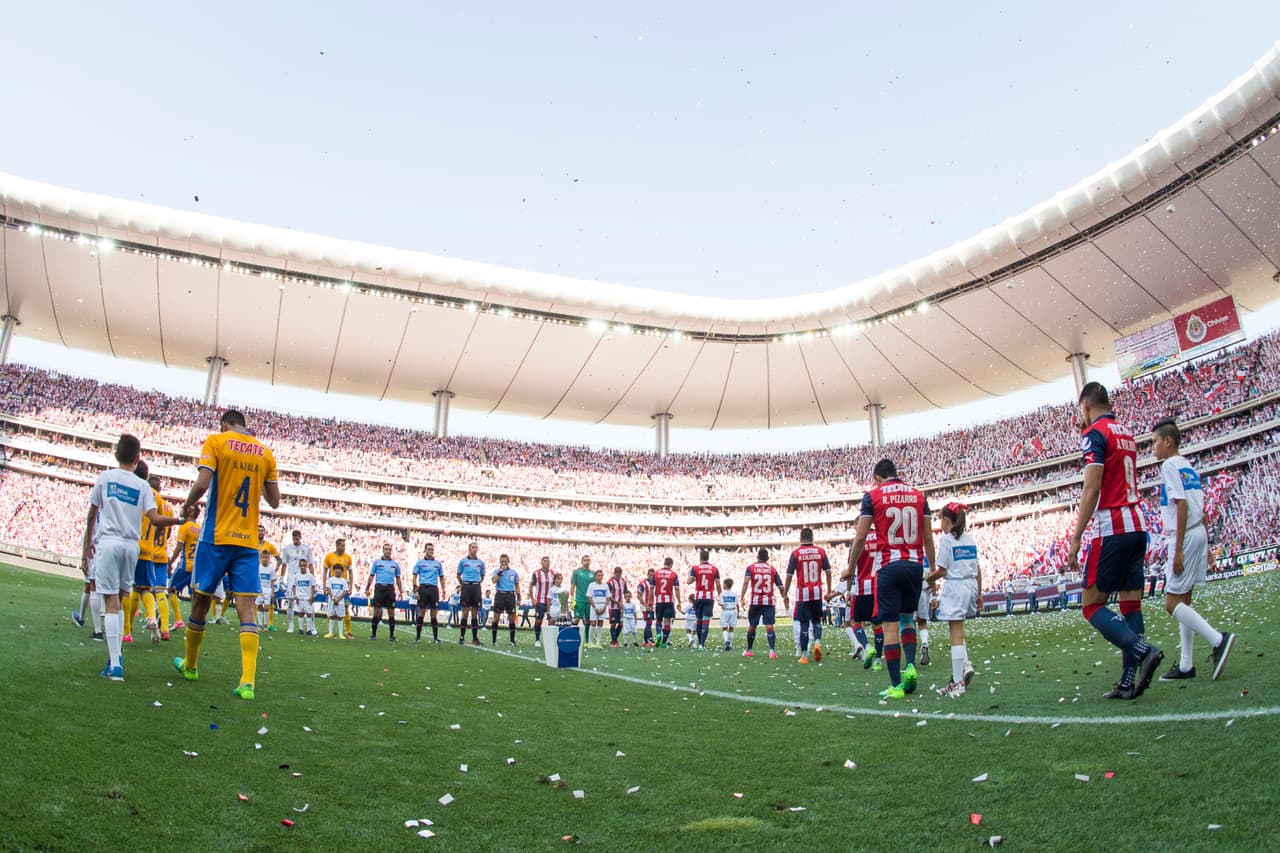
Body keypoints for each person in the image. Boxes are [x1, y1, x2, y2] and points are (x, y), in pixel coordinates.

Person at [172, 409, 281, 701]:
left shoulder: (216, 441)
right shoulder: (266, 453)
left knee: (200, 601)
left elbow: (203, 482)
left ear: (223, 424)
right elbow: (275, 501)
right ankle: (247, 682)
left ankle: (191, 666)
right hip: (247, 543)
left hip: (215, 536)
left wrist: (187, 504)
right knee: (247, 610)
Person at [1067, 383, 1163, 701]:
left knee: (1091, 605)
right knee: (1130, 604)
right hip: (1137, 525)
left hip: (1113, 528)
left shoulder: (1095, 433)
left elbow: (1092, 488)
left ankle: (1143, 650)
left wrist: (1077, 536)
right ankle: (1126, 683)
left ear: (1085, 407)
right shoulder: (1124, 431)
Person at [81, 434, 178, 681]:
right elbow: (155, 519)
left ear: (116, 454)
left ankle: (115, 664)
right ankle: (117, 656)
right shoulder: (143, 485)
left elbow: (92, 515)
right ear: (137, 458)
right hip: (131, 547)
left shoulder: (105, 478)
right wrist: (180, 519)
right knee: (123, 598)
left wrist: (85, 551)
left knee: (111, 602)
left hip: (109, 543)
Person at [1151, 419, 1235, 681]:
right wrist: (1207, 545)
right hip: (1198, 532)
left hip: (1184, 535)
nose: (1152, 448)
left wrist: (1177, 550)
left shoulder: (1169, 466)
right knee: (1184, 600)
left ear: (1168, 441)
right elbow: (1202, 506)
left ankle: (1218, 639)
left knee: (1172, 603)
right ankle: (1187, 666)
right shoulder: (1188, 466)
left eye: (1154, 442)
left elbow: (1182, 505)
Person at [847, 459, 934, 700]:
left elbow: (861, 536)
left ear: (877, 478)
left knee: (890, 626)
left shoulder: (872, 496)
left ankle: (896, 685)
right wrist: (933, 570)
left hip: (889, 565)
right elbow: (927, 537)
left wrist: (850, 567)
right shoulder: (918, 495)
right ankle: (911, 667)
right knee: (909, 619)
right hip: (915, 565)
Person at [928, 502, 980, 697]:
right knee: (959, 630)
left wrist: (927, 579)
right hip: (971, 586)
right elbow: (978, 569)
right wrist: (980, 594)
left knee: (955, 633)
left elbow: (941, 570)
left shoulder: (947, 540)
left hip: (956, 586)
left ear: (947, 521)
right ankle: (965, 666)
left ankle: (958, 681)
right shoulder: (970, 540)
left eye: (941, 519)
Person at [783, 528, 831, 665]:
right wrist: (828, 589)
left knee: (804, 624)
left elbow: (789, 575)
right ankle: (817, 642)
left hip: (803, 593)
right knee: (816, 621)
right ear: (812, 537)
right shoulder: (821, 552)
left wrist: (785, 593)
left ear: (800, 538)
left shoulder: (796, 553)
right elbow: (828, 571)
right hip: (817, 592)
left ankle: (804, 655)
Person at [742, 548, 786, 659]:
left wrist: (742, 597)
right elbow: (780, 586)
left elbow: (746, 582)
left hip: (755, 601)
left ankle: (749, 650)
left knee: (752, 626)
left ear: (757, 557)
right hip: (769, 601)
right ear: (767, 558)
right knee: (769, 626)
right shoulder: (772, 569)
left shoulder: (751, 568)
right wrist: (784, 597)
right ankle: (772, 652)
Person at [165, 503, 201, 632]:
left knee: (171, 590)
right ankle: (193, 625)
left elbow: (179, 547)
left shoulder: (185, 527)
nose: (182, 512)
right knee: (194, 596)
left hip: (185, 566)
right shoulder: (200, 528)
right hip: (196, 568)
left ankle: (178, 619)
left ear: (190, 513)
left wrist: (170, 562)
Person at [365, 543, 404, 642]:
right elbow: (371, 575)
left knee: (391, 612)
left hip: (390, 589)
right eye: (386, 549)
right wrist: (367, 587)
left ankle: (391, 635)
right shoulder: (377, 563)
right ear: (383, 550)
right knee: (376, 612)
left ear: (391, 551)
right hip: (379, 588)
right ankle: (373, 634)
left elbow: (398, 578)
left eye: (389, 549)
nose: (388, 551)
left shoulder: (395, 564)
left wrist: (401, 590)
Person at [281, 529, 315, 634]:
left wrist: (313, 578)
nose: (296, 539)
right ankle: (291, 625)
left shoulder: (306, 549)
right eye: (294, 537)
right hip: (292, 578)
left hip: (304, 578)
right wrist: (281, 578)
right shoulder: (287, 549)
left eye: (297, 537)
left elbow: (310, 564)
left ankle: (312, 627)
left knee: (309, 602)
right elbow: (284, 564)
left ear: (300, 537)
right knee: (291, 602)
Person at [688, 550, 721, 650]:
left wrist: (694, 578)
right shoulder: (714, 569)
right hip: (709, 598)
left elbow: (689, 581)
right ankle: (702, 644)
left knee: (699, 621)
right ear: (708, 557)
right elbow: (718, 584)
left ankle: (699, 643)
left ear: (700, 557)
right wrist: (720, 596)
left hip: (698, 598)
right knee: (706, 622)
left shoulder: (695, 568)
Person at [412, 543, 445, 644]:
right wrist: (416, 590)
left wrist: (444, 590)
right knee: (421, 612)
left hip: (434, 589)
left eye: (432, 549)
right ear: (425, 550)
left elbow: (441, 578)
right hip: (423, 588)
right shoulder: (419, 563)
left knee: (434, 614)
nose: (431, 551)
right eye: (429, 549)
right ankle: (418, 637)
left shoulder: (438, 564)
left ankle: (435, 638)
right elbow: (414, 578)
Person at [456, 542, 486, 645]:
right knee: (465, 612)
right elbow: (458, 575)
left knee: (474, 613)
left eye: (476, 547)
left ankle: (474, 638)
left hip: (476, 587)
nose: (475, 549)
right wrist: (463, 584)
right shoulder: (463, 561)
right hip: (466, 586)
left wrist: (476, 583)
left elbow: (482, 576)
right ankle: (462, 637)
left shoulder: (480, 562)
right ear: (469, 548)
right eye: (473, 547)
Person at [490, 554, 520, 646]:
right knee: (496, 617)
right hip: (500, 594)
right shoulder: (496, 571)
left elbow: (517, 585)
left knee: (511, 618)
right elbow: (494, 581)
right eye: (502, 561)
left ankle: (512, 640)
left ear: (508, 561)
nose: (504, 563)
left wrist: (519, 597)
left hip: (510, 595)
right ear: (500, 562)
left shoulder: (513, 572)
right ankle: (494, 640)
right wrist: (500, 572)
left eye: (505, 561)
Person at [257, 524, 282, 631]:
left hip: (267, 581)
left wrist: (275, 571)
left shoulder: (269, 546)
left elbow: (279, 559)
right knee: (257, 604)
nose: (260, 532)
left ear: (264, 532)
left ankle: (268, 625)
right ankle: (258, 625)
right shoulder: (251, 543)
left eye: (262, 531)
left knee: (268, 604)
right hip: (257, 577)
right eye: (258, 530)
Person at [652, 558, 680, 647]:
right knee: (667, 622)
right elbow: (676, 588)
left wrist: (649, 601)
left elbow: (651, 588)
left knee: (658, 620)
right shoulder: (673, 574)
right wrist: (679, 601)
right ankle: (663, 642)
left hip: (659, 600)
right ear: (671, 564)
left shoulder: (656, 573)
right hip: (669, 601)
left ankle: (658, 634)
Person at [529, 556, 554, 647]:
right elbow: (531, 586)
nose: (547, 563)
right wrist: (532, 599)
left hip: (550, 602)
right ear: (541, 562)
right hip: (540, 601)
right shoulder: (536, 573)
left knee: (552, 620)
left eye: (548, 561)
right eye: (545, 561)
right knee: (539, 620)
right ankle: (537, 639)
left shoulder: (553, 573)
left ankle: (551, 639)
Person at [324, 557, 351, 639]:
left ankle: (340, 634)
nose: (337, 571)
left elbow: (345, 591)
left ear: (342, 571)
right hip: (332, 600)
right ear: (333, 570)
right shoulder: (330, 580)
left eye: (339, 569)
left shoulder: (344, 581)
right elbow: (328, 589)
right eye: (336, 569)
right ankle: (330, 633)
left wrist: (338, 599)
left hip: (340, 601)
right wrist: (333, 598)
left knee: (340, 617)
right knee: (331, 616)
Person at [586, 569, 610, 648]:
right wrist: (595, 608)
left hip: (602, 606)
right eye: (598, 575)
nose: (600, 577)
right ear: (595, 576)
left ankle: (598, 643)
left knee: (600, 623)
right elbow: (589, 597)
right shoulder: (591, 585)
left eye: (601, 575)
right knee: (593, 623)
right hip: (594, 606)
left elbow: (608, 597)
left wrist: (604, 607)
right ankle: (590, 642)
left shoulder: (605, 585)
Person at [292, 558, 317, 636]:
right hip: (299, 597)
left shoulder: (310, 576)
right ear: (299, 566)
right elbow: (293, 586)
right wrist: (295, 596)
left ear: (306, 566)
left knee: (309, 614)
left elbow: (313, 587)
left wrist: (311, 596)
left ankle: (309, 630)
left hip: (307, 597)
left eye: (304, 565)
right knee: (301, 613)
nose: (303, 567)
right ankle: (300, 629)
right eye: (301, 565)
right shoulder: (296, 576)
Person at [569, 555, 594, 627]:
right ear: (582, 562)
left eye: (588, 560)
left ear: (590, 562)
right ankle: (572, 636)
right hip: (579, 600)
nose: (587, 562)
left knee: (588, 621)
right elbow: (572, 586)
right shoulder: (576, 572)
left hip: (589, 601)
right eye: (585, 560)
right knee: (576, 619)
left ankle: (587, 638)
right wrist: (572, 599)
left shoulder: (593, 573)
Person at [255, 550, 277, 633]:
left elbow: (272, 581)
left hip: (268, 589)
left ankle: (265, 625)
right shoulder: (258, 568)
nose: (265, 559)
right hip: (260, 589)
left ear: (269, 559)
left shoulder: (271, 570)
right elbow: (256, 579)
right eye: (263, 557)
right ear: (261, 558)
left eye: (266, 557)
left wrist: (272, 592)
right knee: (259, 606)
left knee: (266, 607)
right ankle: (259, 625)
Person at [607, 566, 628, 647]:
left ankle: (614, 640)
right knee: (613, 623)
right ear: (614, 573)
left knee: (621, 624)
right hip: (612, 606)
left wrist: (626, 602)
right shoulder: (610, 582)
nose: (618, 576)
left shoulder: (623, 581)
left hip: (620, 606)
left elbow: (626, 592)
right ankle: (614, 641)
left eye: (620, 574)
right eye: (617, 574)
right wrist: (616, 602)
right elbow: (608, 595)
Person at [717, 577, 741, 651]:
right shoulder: (734, 594)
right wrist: (738, 611)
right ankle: (730, 644)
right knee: (731, 628)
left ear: (725, 584)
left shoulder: (722, 594)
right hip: (733, 611)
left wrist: (718, 602)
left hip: (725, 611)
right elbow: (737, 604)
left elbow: (721, 604)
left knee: (724, 627)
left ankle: (726, 640)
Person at [636, 568, 656, 648]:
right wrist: (645, 604)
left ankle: (645, 641)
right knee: (649, 622)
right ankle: (650, 639)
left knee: (649, 622)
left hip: (651, 606)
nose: (651, 577)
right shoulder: (643, 584)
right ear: (647, 575)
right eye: (650, 575)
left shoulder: (654, 584)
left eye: (653, 575)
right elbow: (638, 596)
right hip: (645, 606)